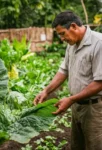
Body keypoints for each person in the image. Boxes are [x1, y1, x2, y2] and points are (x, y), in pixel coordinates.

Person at [33, 11, 102, 150]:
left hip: (94, 109)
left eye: (62, 33)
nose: (62, 38)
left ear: (74, 26)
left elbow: (99, 83)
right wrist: (46, 91)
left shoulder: (98, 43)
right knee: (77, 146)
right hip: (77, 106)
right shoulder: (72, 44)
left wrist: (70, 99)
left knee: (95, 146)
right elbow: (64, 71)